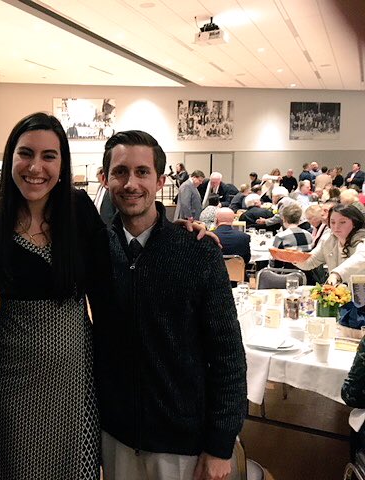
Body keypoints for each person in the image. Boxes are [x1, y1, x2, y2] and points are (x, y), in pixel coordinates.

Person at [93, 130, 247, 480]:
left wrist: (220, 444)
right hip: (116, 437)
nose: (131, 183)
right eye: (120, 172)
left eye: (142, 172)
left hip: (183, 445)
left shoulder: (198, 251)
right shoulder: (94, 249)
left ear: (160, 181)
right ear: (105, 179)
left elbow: (228, 355)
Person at [0, 112, 102, 479]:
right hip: (15, 380)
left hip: (76, 380)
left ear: (62, 164)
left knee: (77, 468)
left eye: (49, 156)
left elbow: (116, 266)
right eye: (25, 153)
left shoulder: (79, 210)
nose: (36, 167)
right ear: (10, 158)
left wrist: (181, 234)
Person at [294, 204, 365, 286]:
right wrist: (293, 257)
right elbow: (311, 261)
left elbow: (361, 258)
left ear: (355, 223)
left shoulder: (362, 238)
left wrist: (336, 274)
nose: (336, 226)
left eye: (342, 222)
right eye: (333, 222)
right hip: (337, 292)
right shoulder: (328, 239)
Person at [271, 203, 313, 269]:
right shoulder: (309, 235)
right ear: (299, 219)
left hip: (287, 272)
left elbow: (274, 260)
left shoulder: (281, 236)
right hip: (306, 272)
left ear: (284, 219)